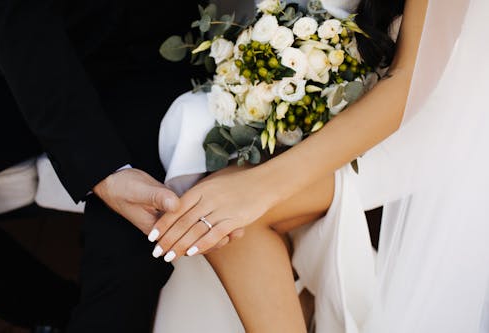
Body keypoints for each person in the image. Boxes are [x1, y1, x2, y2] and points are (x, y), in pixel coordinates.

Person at [152, 0, 489, 332]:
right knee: (205, 202)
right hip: (339, 93)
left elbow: (409, 80)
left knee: (226, 219)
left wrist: (259, 187)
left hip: (419, 117)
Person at [0, 1, 208, 331]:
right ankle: (53, 313)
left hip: (153, 54)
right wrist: (104, 173)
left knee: (136, 244)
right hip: (16, 58)